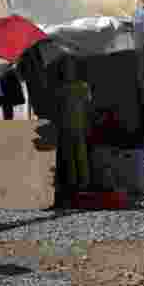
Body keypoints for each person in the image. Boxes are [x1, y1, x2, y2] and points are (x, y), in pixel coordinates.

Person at [57, 62, 92, 191]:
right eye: (66, 69)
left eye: (70, 69)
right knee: (70, 156)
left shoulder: (82, 86)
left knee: (80, 154)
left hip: (79, 124)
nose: (68, 72)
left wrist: (88, 123)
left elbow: (88, 105)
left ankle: (84, 182)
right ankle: (73, 183)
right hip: (67, 125)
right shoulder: (62, 88)